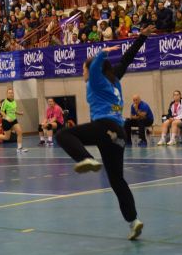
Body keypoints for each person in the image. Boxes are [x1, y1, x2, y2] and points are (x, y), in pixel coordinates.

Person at [55, 26, 155, 241]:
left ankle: (86, 158)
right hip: (119, 135)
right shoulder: (114, 79)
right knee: (117, 180)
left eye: (83, 69)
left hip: (105, 126)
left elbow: (96, 66)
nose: (82, 73)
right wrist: (142, 37)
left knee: (63, 135)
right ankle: (134, 221)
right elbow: (127, 59)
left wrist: (102, 53)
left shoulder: (97, 79)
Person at [0, 88, 28, 153]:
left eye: (12, 93)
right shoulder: (5, 102)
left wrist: (19, 113)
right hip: (6, 121)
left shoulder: (14, 101)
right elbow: (1, 111)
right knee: (7, 137)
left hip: (14, 120)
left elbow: (13, 110)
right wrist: (7, 117)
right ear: (7, 94)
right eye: (9, 93)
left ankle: (19, 148)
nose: (11, 94)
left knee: (20, 132)